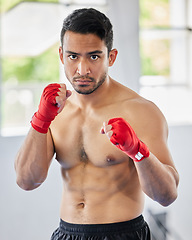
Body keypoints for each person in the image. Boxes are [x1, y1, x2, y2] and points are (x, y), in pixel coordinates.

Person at [15, 8, 179, 240]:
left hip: (123, 234)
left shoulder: (141, 111)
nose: (82, 70)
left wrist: (138, 151)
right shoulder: (55, 110)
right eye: (73, 56)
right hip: (67, 233)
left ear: (110, 57)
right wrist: (41, 120)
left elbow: (167, 195)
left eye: (93, 56)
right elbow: (26, 181)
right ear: (62, 56)